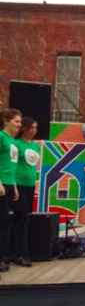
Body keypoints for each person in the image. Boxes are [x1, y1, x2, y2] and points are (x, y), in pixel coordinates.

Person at [13, 116, 40, 267]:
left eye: (36, 128)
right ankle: (20, 254)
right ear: (24, 128)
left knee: (25, 218)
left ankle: (21, 252)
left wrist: (36, 181)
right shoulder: (16, 144)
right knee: (20, 217)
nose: (34, 131)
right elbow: (12, 164)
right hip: (18, 184)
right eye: (32, 128)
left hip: (30, 185)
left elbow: (34, 166)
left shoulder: (35, 146)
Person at [0, 109, 21, 274]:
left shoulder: (13, 142)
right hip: (0, 184)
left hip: (9, 184)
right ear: (6, 121)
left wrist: (13, 186)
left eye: (20, 122)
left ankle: (4, 256)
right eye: (16, 121)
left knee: (6, 221)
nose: (19, 125)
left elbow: (11, 166)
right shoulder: (1, 137)